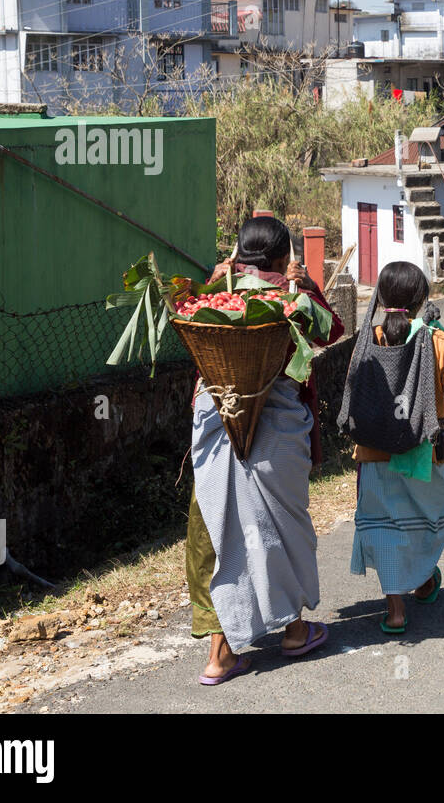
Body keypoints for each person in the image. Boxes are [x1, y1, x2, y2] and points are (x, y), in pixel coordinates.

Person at [186, 216, 343, 685]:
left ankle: (220, 653)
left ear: (238, 253)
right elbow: (329, 331)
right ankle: (293, 630)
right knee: (277, 524)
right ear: (281, 257)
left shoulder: (215, 289)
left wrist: (217, 277)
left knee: (221, 530)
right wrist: (307, 284)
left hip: (215, 420)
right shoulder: (289, 294)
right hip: (276, 429)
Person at [350, 261, 444, 633]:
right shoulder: (436, 339)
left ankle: (395, 610)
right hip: (426, 453)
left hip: (375, 454)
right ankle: (425, 578)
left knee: (386, 527)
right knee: (423, 525)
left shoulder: (369, 340)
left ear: (380, 297)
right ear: (420, 299)